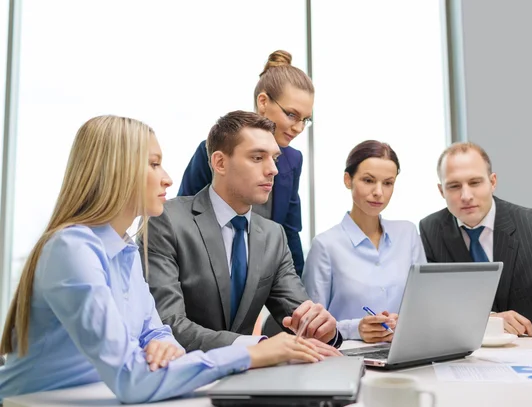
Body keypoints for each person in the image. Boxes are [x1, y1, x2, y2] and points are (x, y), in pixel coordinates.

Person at [0, 115, 328, 404]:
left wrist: (162, 347)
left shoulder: (126, 249)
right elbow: (131, 378)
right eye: (154, 164)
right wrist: (248, 353)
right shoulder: (72, 249)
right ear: (117, 170)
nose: (168, 178)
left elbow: (157, 333)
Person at [142, 110, 343, 354]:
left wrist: (325, 330)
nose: (273, 170)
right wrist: (257, 346)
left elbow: (300, 317)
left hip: (251, 378)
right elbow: (168, 324)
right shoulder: (166, 221)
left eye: (274, 159)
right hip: (187, 377)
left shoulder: (273, 236)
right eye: (258, 158)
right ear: (220, 162)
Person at [419, 141, 532, 352]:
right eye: (454, 186)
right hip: (465, 360)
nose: (466, 195)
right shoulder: (430, 229)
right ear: (441, 191)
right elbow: (434, 307)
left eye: (475, 182)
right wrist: (491, 319)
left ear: (492, 182)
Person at [178, 50, 312, 276]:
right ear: (263, 102)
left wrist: (300, 298)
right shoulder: (211, 151)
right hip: (205, 274)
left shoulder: (293, 160)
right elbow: (183, 218)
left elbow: (289, 233)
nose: (298, 128)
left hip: (261, 279)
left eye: (305, 120)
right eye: (291, 115)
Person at [302, 141, 426, 343]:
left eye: (388, 183)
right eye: (368, 180)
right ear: (347, 180)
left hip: (406, 349)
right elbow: (310, 326)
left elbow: (424, 305)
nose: (379, 192)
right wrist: (355, 329)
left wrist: (405, 321)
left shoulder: (408, 233)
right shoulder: (325, 245)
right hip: (345, 357)